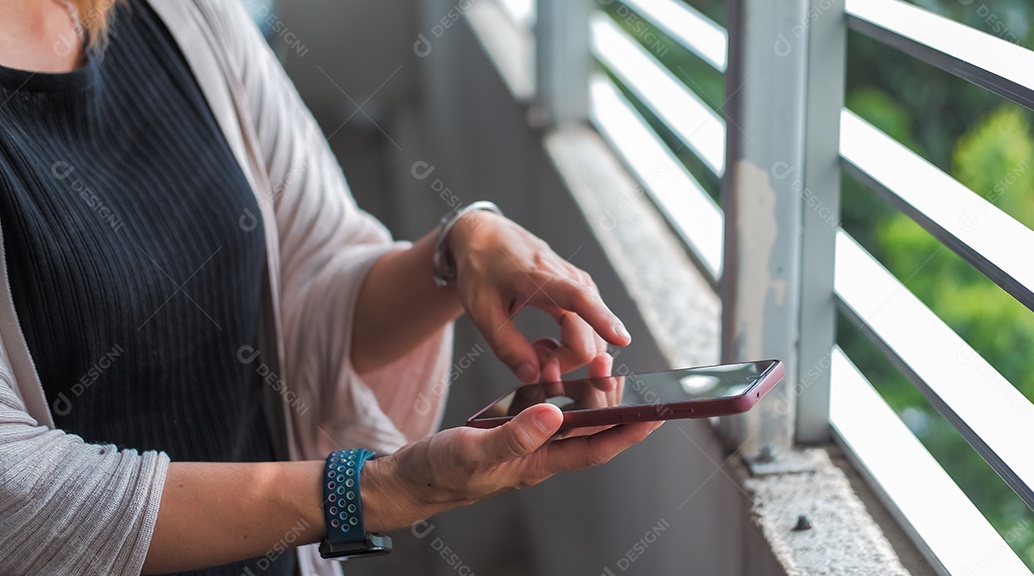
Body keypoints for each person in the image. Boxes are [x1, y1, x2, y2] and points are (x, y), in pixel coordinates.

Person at [0, 0, 661, 574]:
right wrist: (376, 491)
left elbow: (309, 301)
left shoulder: (185, 16)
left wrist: (456, 252)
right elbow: (18, 500)